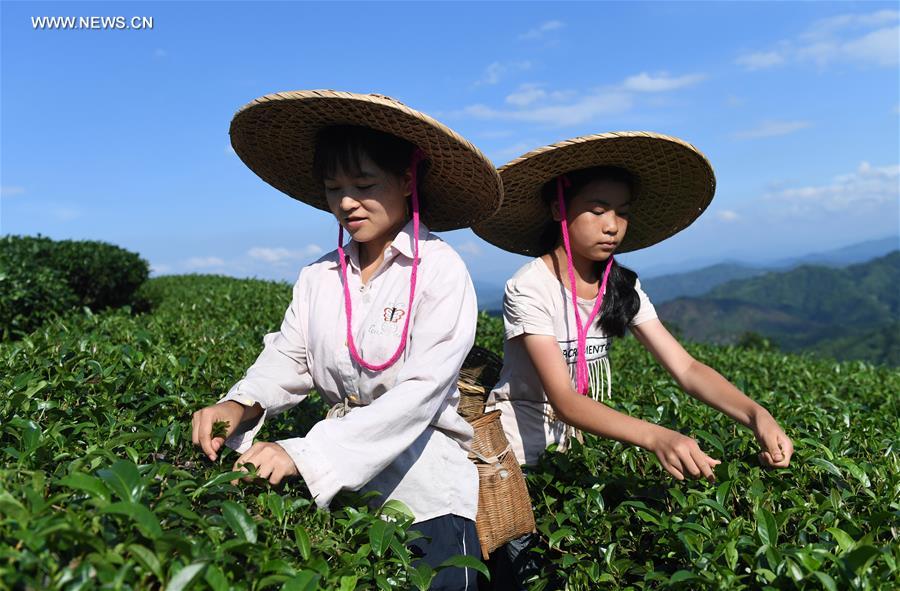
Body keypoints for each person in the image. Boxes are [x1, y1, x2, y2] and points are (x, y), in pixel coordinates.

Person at [190, 90, 502, 590]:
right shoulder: (319, 277)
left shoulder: (440, 271)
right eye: (334, 188)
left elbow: (420, 393)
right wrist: (239, 403)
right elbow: (289, 356)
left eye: (363, 184)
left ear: (406, 180)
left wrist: (305, 454)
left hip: (427, 492)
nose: (346, 203)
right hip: (344, 496)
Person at [473, 131, 794, 588]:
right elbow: (563, 399)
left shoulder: (620, 286)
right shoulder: (530, 287)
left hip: (573, 456)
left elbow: (686, 368)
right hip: (517, 465)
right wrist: (657, 437)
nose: (613, 226)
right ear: (559, 209)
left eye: (622, 213)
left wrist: (755, 414)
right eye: (598, 209)